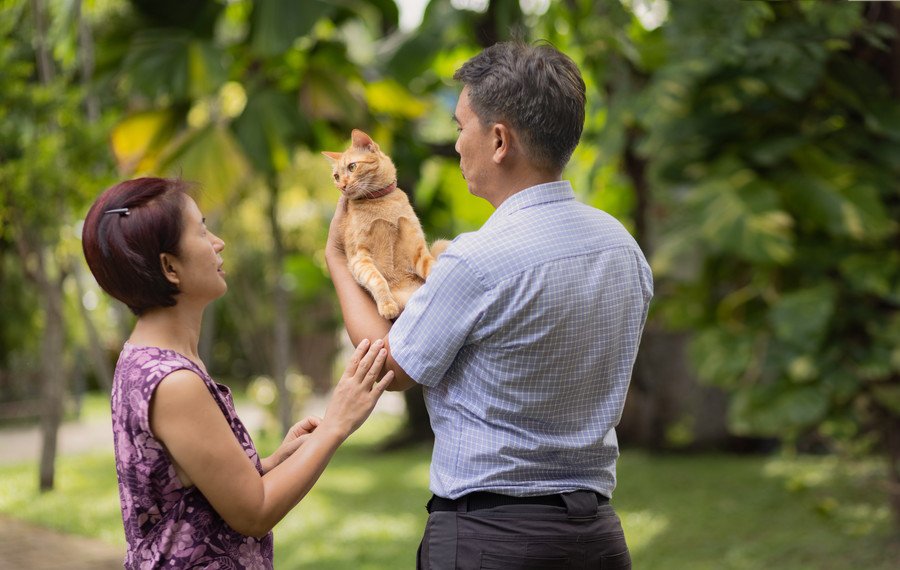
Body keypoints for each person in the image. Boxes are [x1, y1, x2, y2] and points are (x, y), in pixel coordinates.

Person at [326, 41, 653, 569]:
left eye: (461, 127)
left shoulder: (476, 261)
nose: (457, 144)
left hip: (492, 538)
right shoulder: (622, 247)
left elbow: (389, 369)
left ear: (499, 140)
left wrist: (339, 260)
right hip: (596, 537)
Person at [81, 177, 394, 569]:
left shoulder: (144, 357)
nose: (218, 243)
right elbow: (253, 513)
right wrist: (336, 424)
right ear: (169, 267)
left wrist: (271, 463)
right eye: (201, 231)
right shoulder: (174, 383)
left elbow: (190, 495)